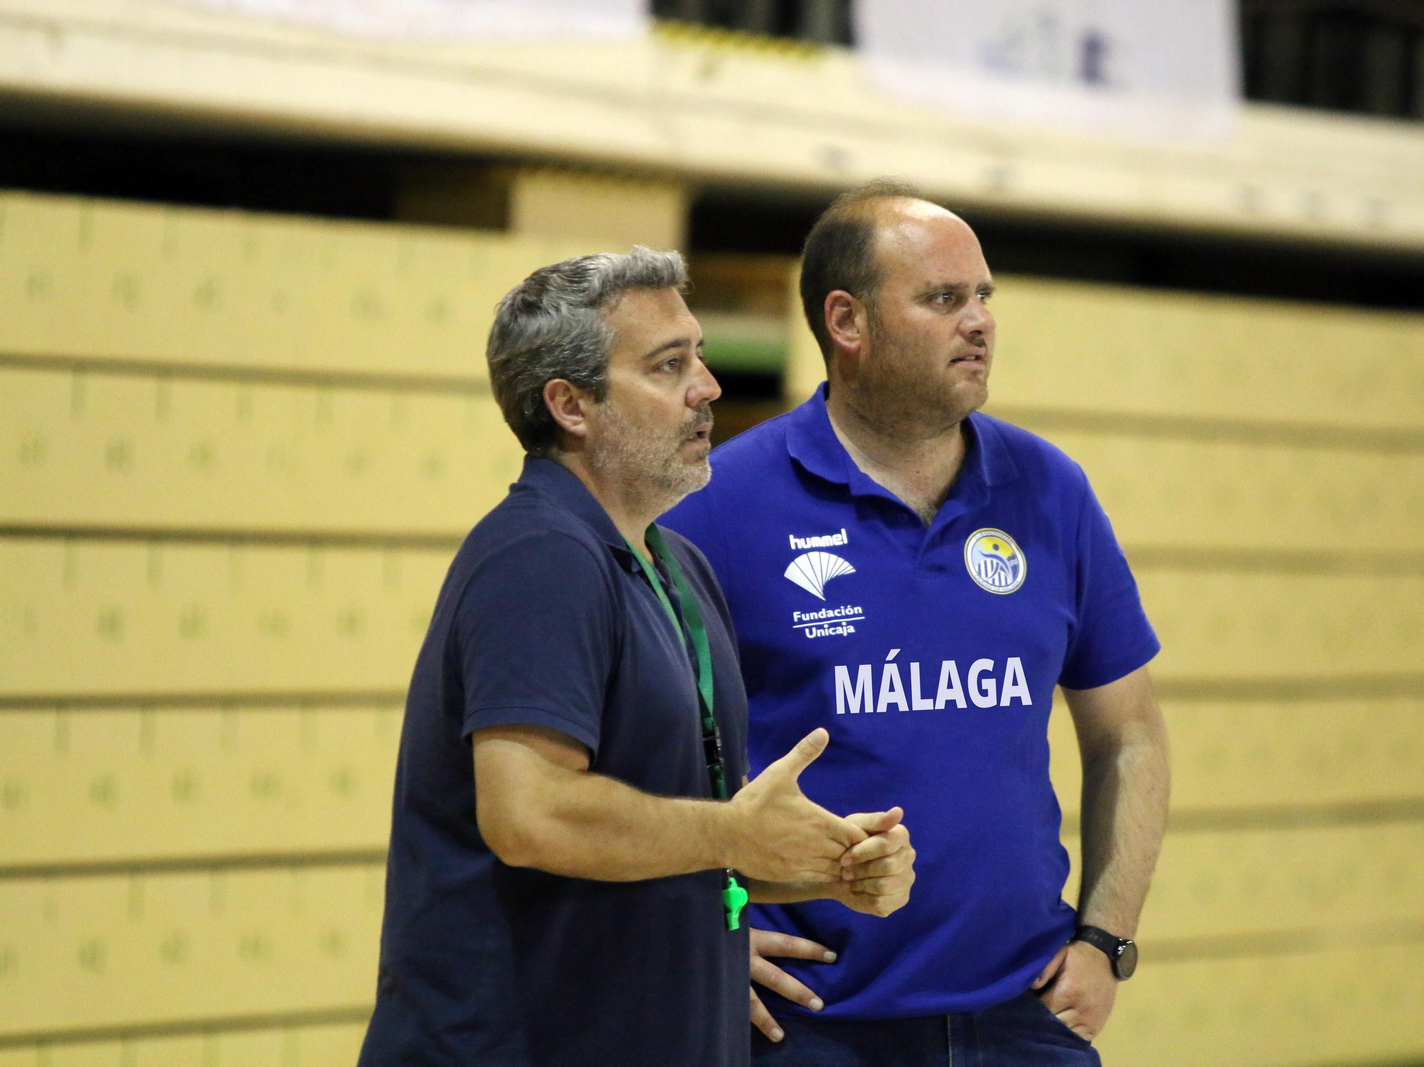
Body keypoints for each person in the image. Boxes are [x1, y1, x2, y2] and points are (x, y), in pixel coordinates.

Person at [357, 248, 916, 1067]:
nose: (708, 388)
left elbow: (664, 842)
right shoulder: (538, 557)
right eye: (669, 365)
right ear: (571, 404)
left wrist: (824, 862)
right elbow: (531, 813)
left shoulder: (678, 568)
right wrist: (736, 832)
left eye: (701, 354)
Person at [663, 182, 1169, 1065]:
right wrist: (704, 932)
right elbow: (631, 768)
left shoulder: (1052, 491)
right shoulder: (718, 507)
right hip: (807, 1026)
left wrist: (1107, 937)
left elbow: (1127, 734)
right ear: (847, 322)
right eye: (943, 299)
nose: (978, 322)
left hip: (1028, 1019)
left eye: (983, 298)